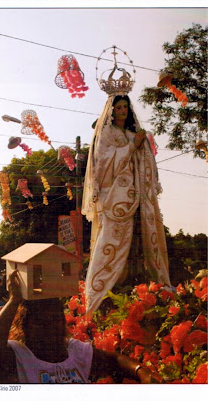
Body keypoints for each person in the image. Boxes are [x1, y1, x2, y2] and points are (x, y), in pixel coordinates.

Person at [0, 270, 162, 384]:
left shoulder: (75, 351)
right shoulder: (19, 355)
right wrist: (14, 301)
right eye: (42, 322)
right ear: (25, 324)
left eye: (56, 319)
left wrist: (142, 372)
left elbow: (115, 360)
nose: (51, 326)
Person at [82, 94, 170, 313]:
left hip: (137, 196)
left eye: (125, 107)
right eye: (118, 107)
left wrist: (142, 148)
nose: (122, 111)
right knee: (111, 241)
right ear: (111, 112)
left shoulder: (133, 134)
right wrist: (131, 148)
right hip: (115, 199)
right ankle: (99, 295)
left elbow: (147, 162)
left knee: (139, 243)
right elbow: (102, 164)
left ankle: (141, 286)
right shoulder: (107, 133)